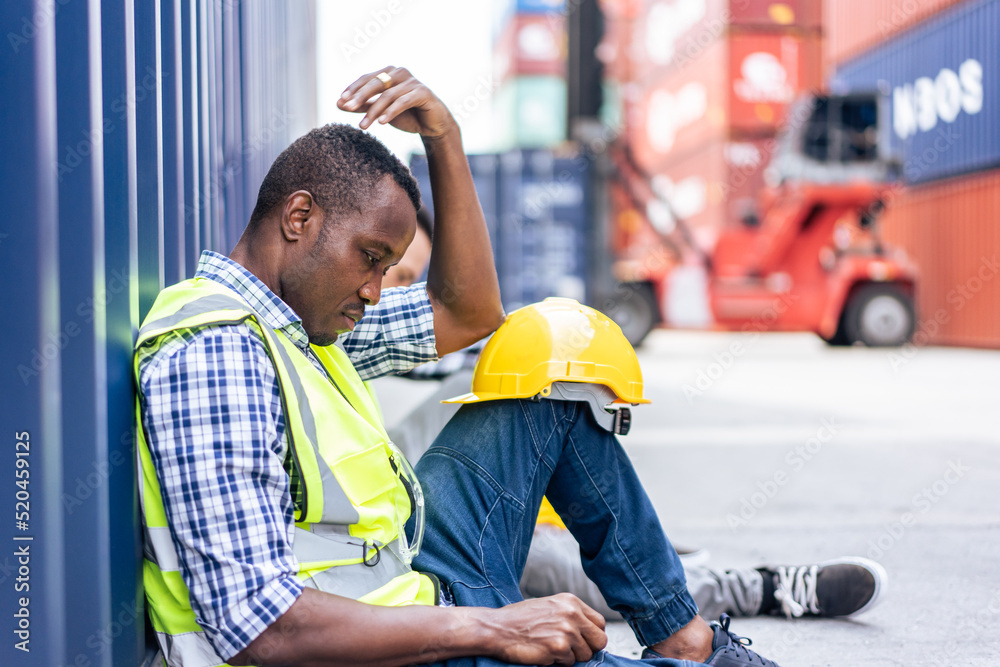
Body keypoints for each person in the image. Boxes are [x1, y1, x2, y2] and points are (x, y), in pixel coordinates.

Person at [134, 66, 784, 667]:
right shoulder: (216, 350)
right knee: (540, 639)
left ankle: (683, 635)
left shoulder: (301, 324)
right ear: (299, 216)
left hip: (407, 582)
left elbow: (465, 311)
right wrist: (488, 626)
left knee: (547, 384)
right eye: (370, 257)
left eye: (386, 269)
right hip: (363, 645)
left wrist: (445, 137)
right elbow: (260, 627)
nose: (375, 289)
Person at [380, 215, 887, 625]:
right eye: (394, 273)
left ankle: (666, 587)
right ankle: (757, 587)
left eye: (418, 284)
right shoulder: (332, 352)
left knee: (549, 390)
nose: (403, 298)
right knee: (570, 578)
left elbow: (473, 318)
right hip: (416, 542)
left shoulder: (440, 356)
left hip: (499, 515)